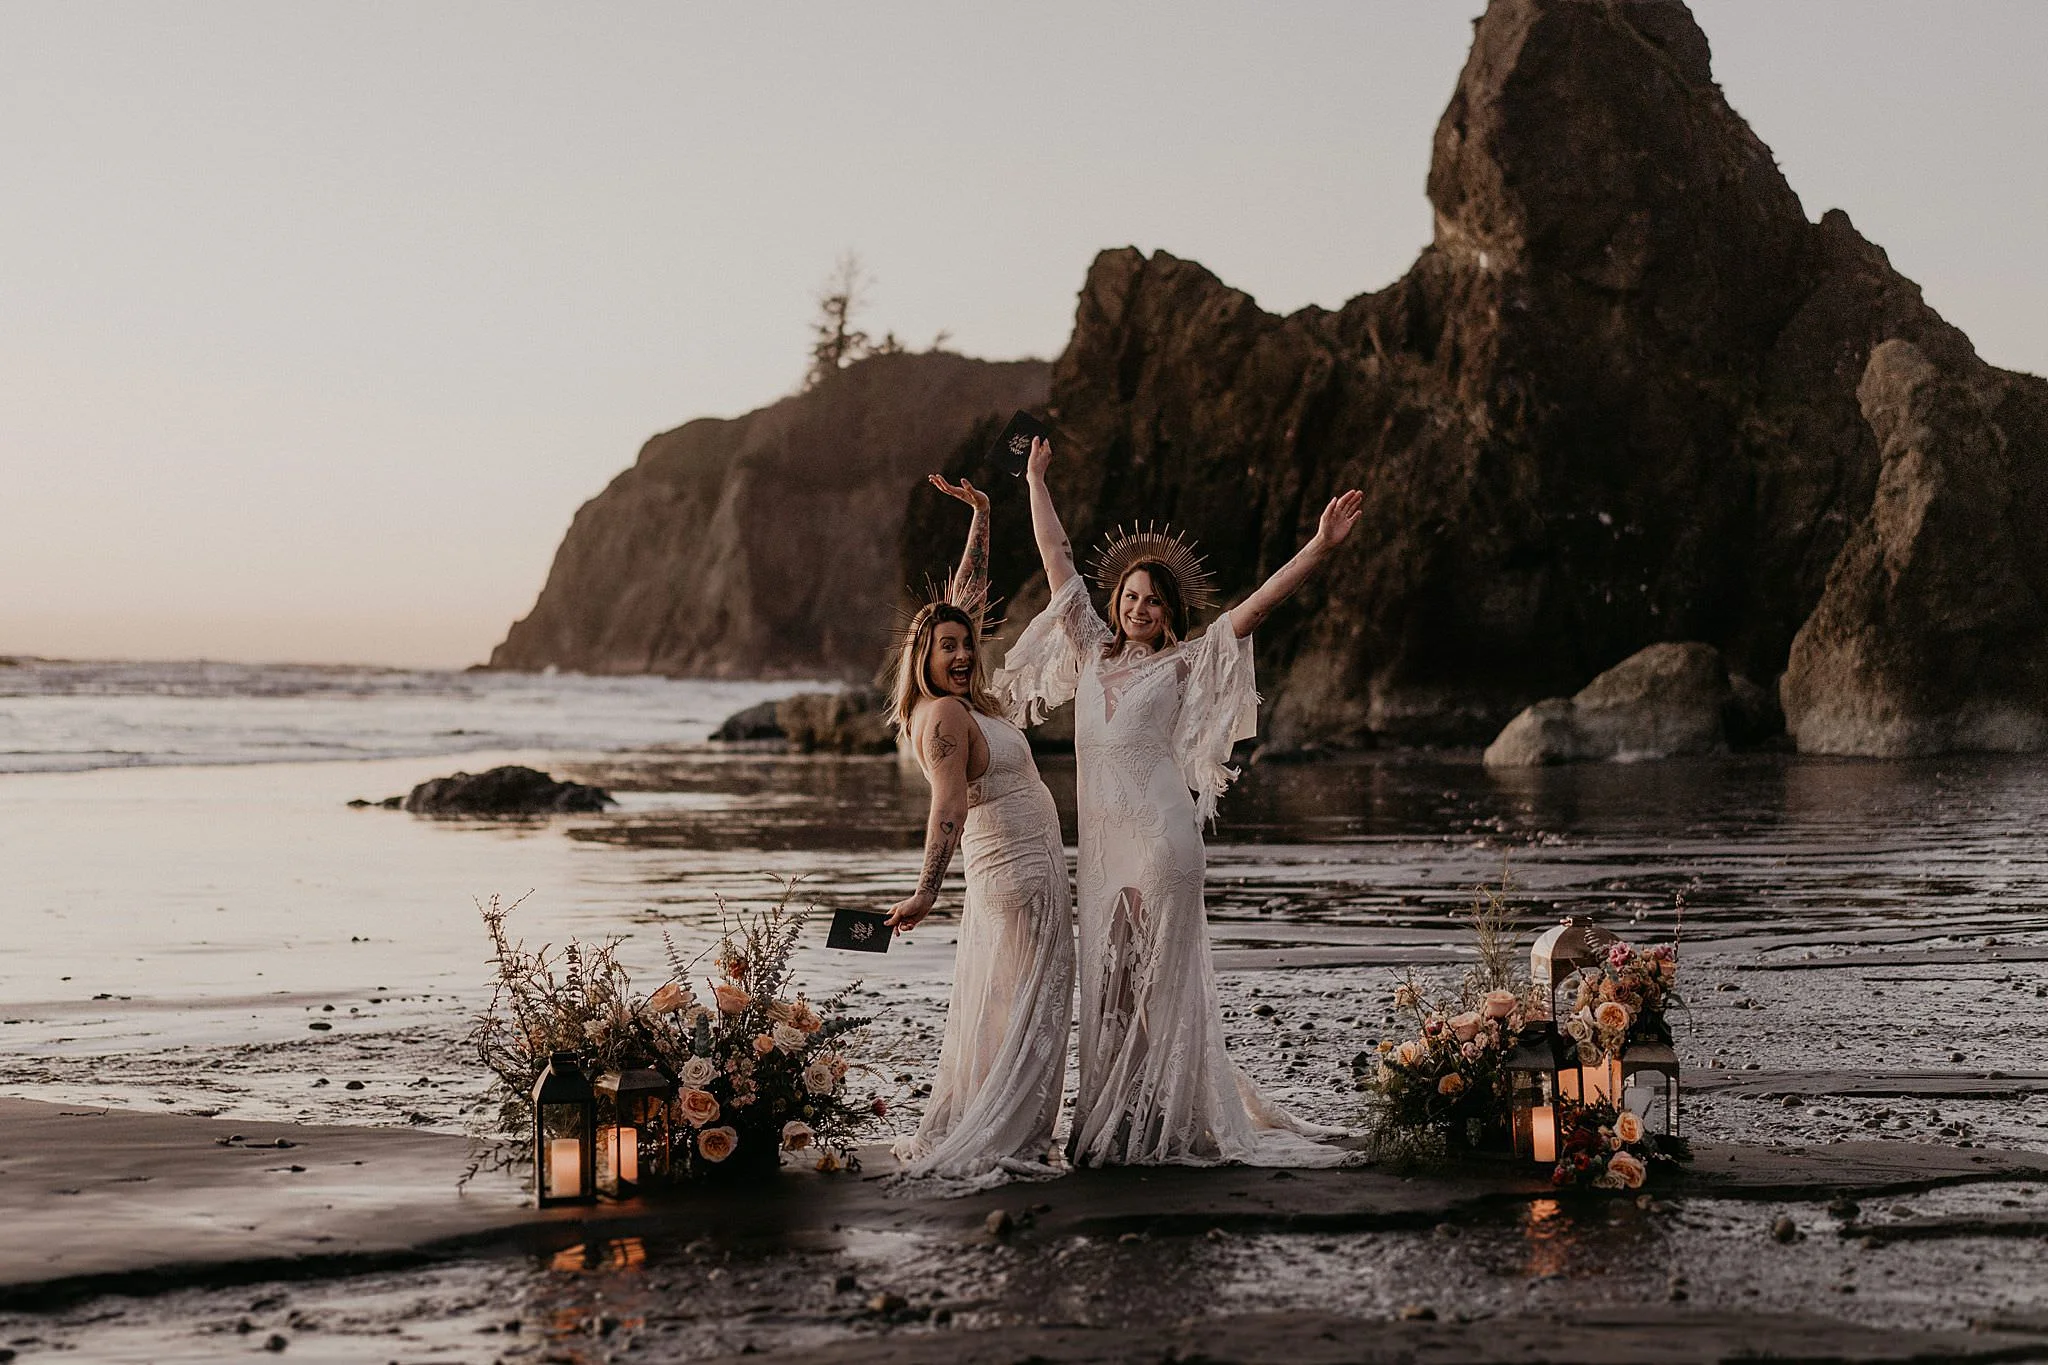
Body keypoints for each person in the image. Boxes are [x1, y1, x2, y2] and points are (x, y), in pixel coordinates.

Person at [999, 436, 1364, 1166]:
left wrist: (1319, 548)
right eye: (1130, 596)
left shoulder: (1184, 662)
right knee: (1109, 982)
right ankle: (1109, 1119)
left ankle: (1154, 1126)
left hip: (1164, 840)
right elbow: (1057, 557)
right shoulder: (1092, 649)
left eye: (1151, 600)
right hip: (1105, 846)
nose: (1137, 607)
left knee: (1153, 983)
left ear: (1168, 612)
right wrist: (1035, 479)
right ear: (1118, 602)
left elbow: (1256, 607)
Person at [884, 474, 1075, 1184]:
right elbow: (949, 808)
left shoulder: (966, 701)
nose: (961, 653)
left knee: (1019, 1006)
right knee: (1031, 1009)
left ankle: (1008, 1125)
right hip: (1016, 882)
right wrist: (926, 892)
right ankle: (1005, 1134)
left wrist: (985, 517)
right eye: (945, 648)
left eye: (966, 645)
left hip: (1031, 875)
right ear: (922, 661)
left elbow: (961, 600)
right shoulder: (943, 716)